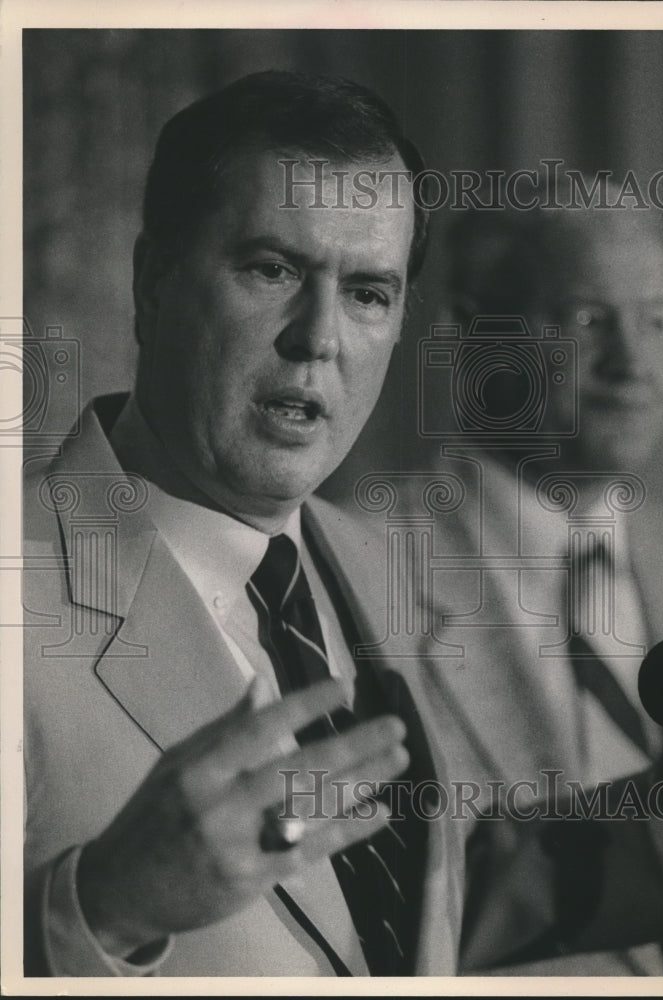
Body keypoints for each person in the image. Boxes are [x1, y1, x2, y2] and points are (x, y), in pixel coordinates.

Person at [22, 69, 464, 978]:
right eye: (272, 270)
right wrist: (98, 912)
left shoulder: (398, 577)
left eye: (368, 292)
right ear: (153, 282)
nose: (319, 338)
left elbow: (445, 921)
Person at [406, 198, 663, 975]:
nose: (632, 363)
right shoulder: (354, 568)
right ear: (474, 334)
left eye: (656, 321)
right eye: (588, 319)